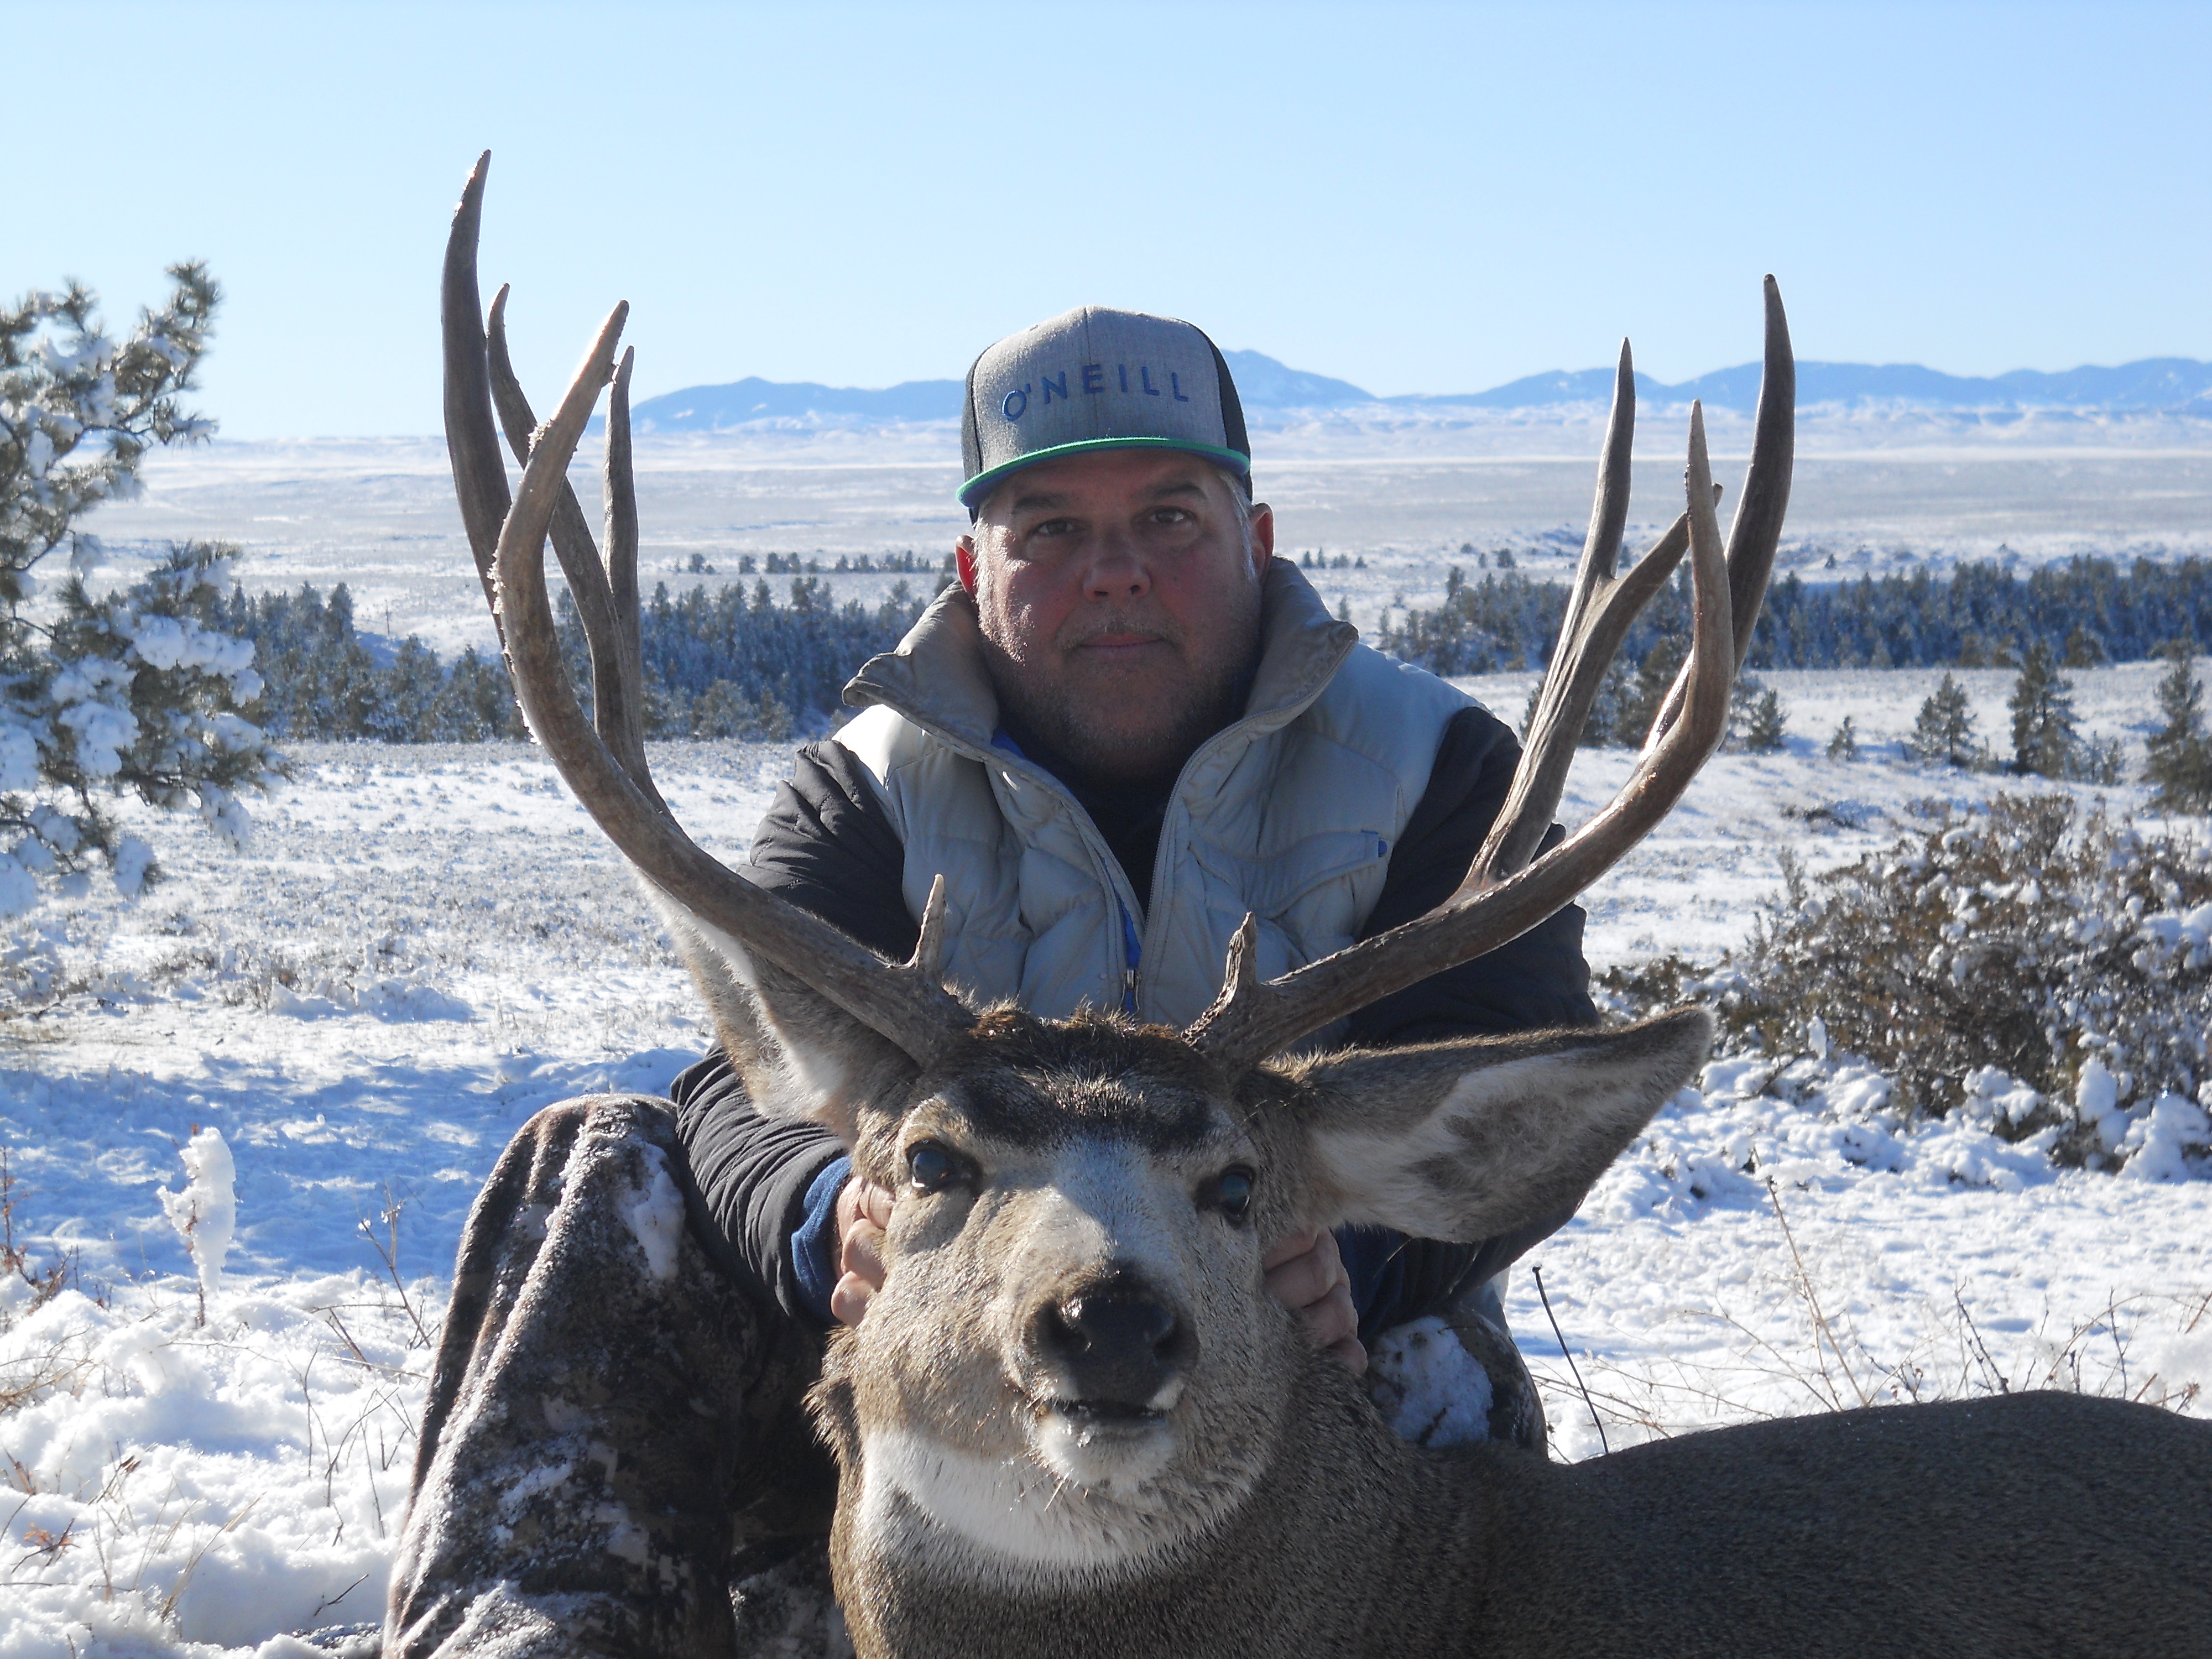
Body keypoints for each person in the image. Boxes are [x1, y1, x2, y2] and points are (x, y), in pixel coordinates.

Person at [385, 307, 1597, 1659]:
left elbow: (1510, 1066)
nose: (1115, 574)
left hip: (1273, 1369)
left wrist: (1345, 1257)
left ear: (1255, 541)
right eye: (1050, 529)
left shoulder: (1434, 766)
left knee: (1436, 1372)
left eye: (1168, 519)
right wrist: (829, 1211)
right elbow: (746, 1079)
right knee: (608, 1171)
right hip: (936, 1370)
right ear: (973, 570)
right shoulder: (864, 788)